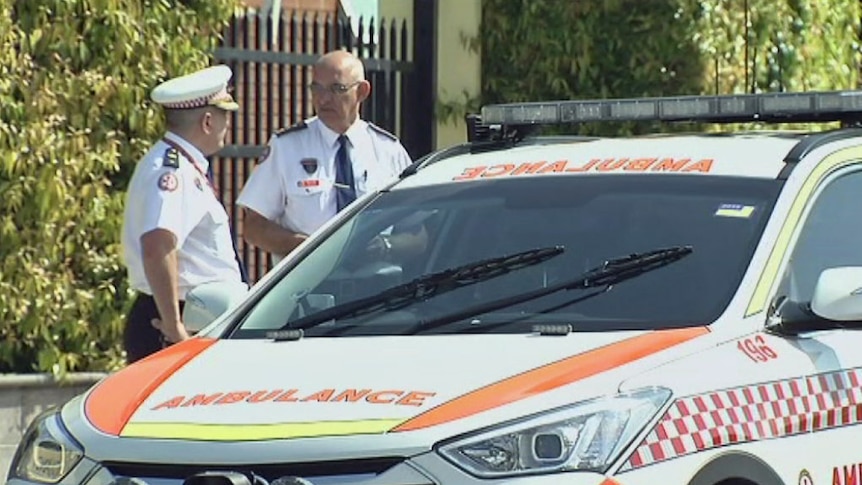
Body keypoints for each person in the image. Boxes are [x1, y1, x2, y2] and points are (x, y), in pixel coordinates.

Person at [236, 50, 426, 264]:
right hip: (307, 284)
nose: (323, 99)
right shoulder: (287, 147)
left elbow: (418, 237)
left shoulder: (387, 150)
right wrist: (308, 247)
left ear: (362, 91)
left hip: (375, 285)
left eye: (337, 89)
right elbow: (253, 227)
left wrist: (385, 246)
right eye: (316, 88)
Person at [120, 64, 247, 364]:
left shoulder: (178, 164)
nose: (227, 123)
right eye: (224, 114)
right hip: (176, 322)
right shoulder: (172, 171)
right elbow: (158, 246)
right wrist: (175, 327)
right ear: (207, 121)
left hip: (191, 317)